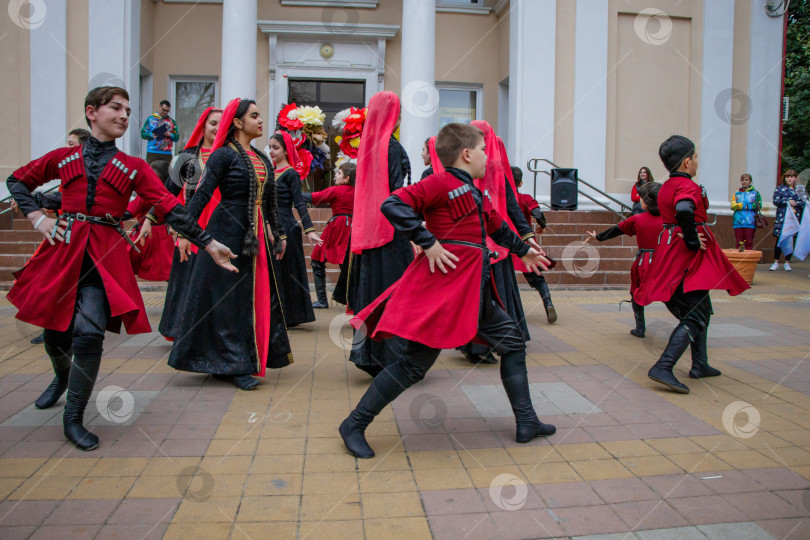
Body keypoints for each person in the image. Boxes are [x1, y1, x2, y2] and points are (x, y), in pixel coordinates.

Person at [6, 86, 237, 450]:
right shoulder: (63, 158)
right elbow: (17, 180)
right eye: (116, 107)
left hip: (105, 258)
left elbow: (168, 206)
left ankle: (73, 416)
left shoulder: (134, 167)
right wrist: (38, 219)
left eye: (128, 109)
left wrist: (208, 243)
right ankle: (61, 378)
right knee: (55, 335)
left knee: (88, 333)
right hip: (63, 252)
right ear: (92, 112)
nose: (124, 115)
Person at [339, 122, 556, 459]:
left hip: (473, 290)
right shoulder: (439, 182)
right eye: (484, 150)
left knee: (512, 343)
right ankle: (353, 424)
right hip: (447, 290)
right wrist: (427, 241)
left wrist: (524, 250)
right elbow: (392, 204)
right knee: (413, 366)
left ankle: (527, 421)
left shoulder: (472, 189)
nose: (488, 156)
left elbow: (497, 225)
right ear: (467, 154)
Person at [168, 98, 293, 391]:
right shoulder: (223, 155)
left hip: (256, 234)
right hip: (227, 231)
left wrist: (280, 233)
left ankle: (246, 357)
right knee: (229, 301)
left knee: (254, 297)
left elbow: (271, 200)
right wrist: (185, 232)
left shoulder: (262, 157)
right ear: (237, 123)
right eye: (254, 116)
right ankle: (232, 363)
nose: (260, 121)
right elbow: (201, 194)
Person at [634, 135, 749, 394]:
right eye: (695, 157)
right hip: (687, 258)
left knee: (702, 309)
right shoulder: (688, 187)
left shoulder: (665, 186)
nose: (697, 162)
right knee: (695, 316)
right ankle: (663, 366)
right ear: (687, 162)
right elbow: (685, 209)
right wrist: (692, 239)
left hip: (672, 251)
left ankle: (700, 364)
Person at [458, 121, 538, 364]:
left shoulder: (467, 171)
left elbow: (511, 207)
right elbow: (512, 209)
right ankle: (500, 342)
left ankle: (475, 346)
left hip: (476, 246)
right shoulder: (497, 171)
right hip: (496, 246)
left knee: (476, 299)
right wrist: (528, 238)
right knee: (496, 298)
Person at [347, 91, 414, 377]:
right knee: (396, 293)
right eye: (397, 112)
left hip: (369, 232)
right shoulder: (392, 147)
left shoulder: (368, 145)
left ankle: (369, 355)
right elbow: (398, 195)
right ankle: (395, 356)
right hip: (393, 232)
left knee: (371, 291)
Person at [158, 106, 222, 340]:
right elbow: (167, 194)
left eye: (221, 123)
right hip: (191, 230)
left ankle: (211, 334)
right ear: (203, 126)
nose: (216, 127)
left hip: (222, 228)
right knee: (187, 281)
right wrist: (177, 228)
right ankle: (181, 330)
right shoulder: (187, 158)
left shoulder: (229, 156)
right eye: (213, 123)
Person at [586, 182, 664, 339]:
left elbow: (616, 230)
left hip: (644, 262)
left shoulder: (638, 219)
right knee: (669, 292)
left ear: (646, 201)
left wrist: (599, 237)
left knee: (637, 292)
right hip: (664, 260)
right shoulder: (669, 219)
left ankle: (640, 328)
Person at [268, 131, 321, 326]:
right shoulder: (269, 172)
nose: (271, 151)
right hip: (270, 224)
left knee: (287, 271)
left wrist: (310, 229)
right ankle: (274, 313)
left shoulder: (291, 173)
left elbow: (299, 204)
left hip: (287, 227)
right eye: (270, 147)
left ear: (286, 150)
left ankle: (289, 315)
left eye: (276, 148)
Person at [302, 162, 355, 309]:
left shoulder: (337, 191)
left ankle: (322, 300)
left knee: (317, 259)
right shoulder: (359, 191)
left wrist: (294, 193)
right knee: (346, 264)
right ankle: (352, 302)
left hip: (337, 227)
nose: (335, 176)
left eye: (338, 173)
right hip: (353, 227)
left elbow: (315, 197)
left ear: (347, 178)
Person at [512, 165, 556, 323]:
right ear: (521, 183)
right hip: (526, 243)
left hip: (506, 243)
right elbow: (538, 213)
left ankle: (508, 312)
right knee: (536, 277)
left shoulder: (502, 198)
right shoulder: (526, 198)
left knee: (501, 278)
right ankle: (548, 303)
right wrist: (542, 225)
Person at [124, 161, 176, 282]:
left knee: (124, 261)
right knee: (163, 266)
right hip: (164, 235)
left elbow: (130, 210)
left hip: (145, 235)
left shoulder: (146, 194)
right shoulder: (169, 194)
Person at [771, 169, 805, 271]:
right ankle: (776, 261)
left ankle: (787, 262)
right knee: (779, 240)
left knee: (790, 240)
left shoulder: (800, 190)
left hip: (794, 219)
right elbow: (776, 201)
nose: (790, 179)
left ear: (795, 178)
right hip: (782, 219)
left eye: (792, 177)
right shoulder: (780, 189)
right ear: (785, 178)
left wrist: (796, 203)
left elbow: (804, 202)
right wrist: (787, 202)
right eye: (788, 177)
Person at [141, 100, 179, 164]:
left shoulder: (171, 121)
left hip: (167, 153)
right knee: (152, 173)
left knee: (166, 173)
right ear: (159, 107)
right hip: (153, 152)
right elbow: (143, 133)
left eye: (167, 111)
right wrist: (151, 135)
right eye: (163, 110)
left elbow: (177, 137)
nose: (165, 112)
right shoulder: (150, 119)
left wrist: (170, 135)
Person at [731, 173, 761, 251]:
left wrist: (742, 206)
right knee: (738, 242)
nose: (744, 182)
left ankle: (748, 260)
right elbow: (733, 206)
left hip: (750, 222)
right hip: (738, 222)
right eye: (742, 180)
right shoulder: (737, 193)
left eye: (746, 180)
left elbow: (758, 205)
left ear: (750, 181)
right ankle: (739, 259)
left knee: (749, 242)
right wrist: (746, 206)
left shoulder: (755, 193)